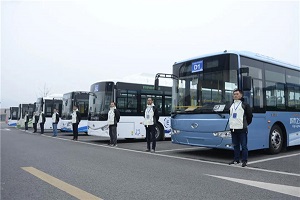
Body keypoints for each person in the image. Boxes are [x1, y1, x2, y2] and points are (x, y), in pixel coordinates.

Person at [228, 89, 253, 167]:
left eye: (237, 94)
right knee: (235, 145)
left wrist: (245, 124)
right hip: (233, 128)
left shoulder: (245, 105)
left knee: (244, 145)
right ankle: (236, 160)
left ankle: (244, 160)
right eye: (234, 94)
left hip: (242, 129)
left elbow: (250, 116)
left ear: (241, 95)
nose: (235, 95)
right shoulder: (232, 105)